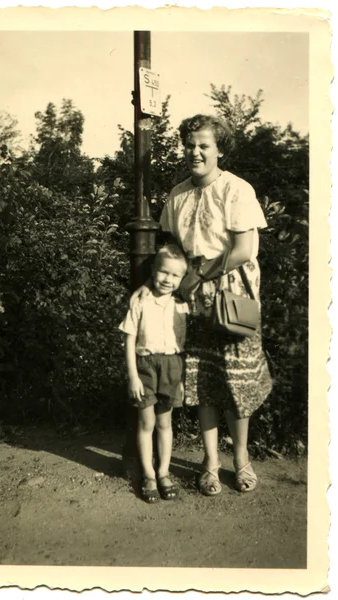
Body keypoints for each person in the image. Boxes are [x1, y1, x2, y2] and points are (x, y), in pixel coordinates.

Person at [131, 114, 273, 496]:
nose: (195, 152)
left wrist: (202, 274)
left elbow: (244, 250)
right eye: (190, 145)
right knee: (202, 382)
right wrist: (165, 284)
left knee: (236, 384)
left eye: (203, 146)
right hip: (190, 298)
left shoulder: (237, 190)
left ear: (219, 150)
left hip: (231, 298)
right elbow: (172, 250)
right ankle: (210, 463)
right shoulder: (177, 195)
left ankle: (241, 459)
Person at [119, 244, 189, 503]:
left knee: (165, 423)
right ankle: (148, 475)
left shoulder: (181, 306)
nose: (167, 279)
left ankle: (163, 472)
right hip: (146, 367)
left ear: (182, 278)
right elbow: (129, 339)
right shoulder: (140, 301)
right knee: (146, 423)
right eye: (163, 272)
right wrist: (133, 376)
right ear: (153, 271)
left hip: (172, 367)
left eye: (174, 275)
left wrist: (181, 379)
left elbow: (184, 346)